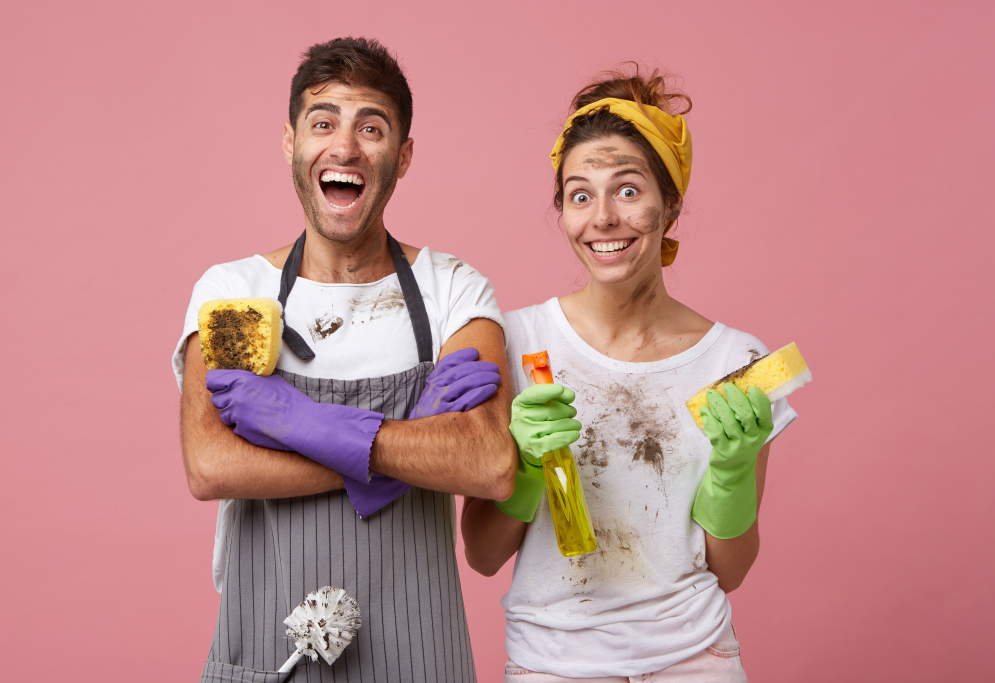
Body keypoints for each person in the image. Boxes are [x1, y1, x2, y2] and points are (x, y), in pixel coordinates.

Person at [172, 37, 516, 682]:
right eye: (323, 122)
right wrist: (413, 444)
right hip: (269, 649)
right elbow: (211, 465)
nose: (345, 146)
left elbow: (490, 463)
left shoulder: (451, 290)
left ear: (403, 154)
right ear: (291, 141)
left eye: (372, 127)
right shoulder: (235, 293)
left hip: (418, 651)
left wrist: (300, 424)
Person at [461, 66, 799, 682]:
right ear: (562, 211)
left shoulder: (738, 364)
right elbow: (483, 555)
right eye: (580, 194)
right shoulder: (512, 343)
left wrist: (734, 468)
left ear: (669, 204)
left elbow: (731, 571)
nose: (603, 218)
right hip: (551, 665)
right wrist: (528, 470)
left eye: (627, 189)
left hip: (696, 662)